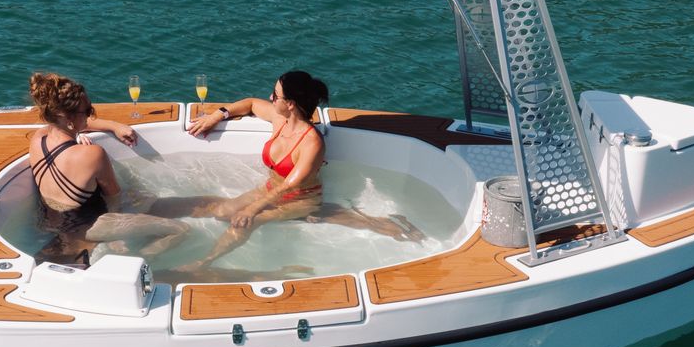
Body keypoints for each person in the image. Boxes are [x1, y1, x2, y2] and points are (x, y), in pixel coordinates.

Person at [173, 70, 420, 272]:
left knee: (244, 222)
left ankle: (202, 264)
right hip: (271, 188)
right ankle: (339, 216)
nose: (271, 98)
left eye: (275, 95)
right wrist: (218, 115)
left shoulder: (311, 142)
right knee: (223, 211)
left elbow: (289, 185)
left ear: (290, 104)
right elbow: (249, 103)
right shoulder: (279, 121)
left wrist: (252, 209)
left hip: (301, 199)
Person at [25, 72, 188, 267]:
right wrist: (117, 235)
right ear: (67, 118)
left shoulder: (38, 138)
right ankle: (139, 259)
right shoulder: (93, 154)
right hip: (89, 226)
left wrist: (112, 126)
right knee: (181, 230)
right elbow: (115, 201)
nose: (91, 114)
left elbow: (75, 125)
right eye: (87, 110)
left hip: (48, 221)